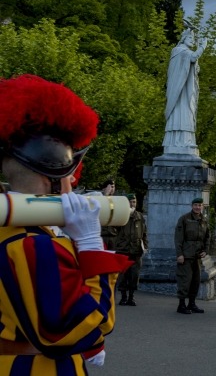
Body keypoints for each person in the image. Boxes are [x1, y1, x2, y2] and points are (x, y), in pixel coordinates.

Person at [0, 74, 132, 373]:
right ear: (55, 180)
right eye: (71, 174)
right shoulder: (35, 244)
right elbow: (85, 327)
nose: (75, 180)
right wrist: (90, 245)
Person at [163, 28, 205, 151]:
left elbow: (192, 63)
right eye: (190, 38)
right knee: (180, 113)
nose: (192, 41)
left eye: (193, 39)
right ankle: (176, 141)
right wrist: (203, 46)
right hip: (178, 91)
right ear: (184, 38)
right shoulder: (178, 51)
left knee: (187, 113)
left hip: (185, 89)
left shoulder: (183, 52)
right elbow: (193, 57)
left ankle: (186, 141)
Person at [174, 198, 209, 314]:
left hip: (197, 256)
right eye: (195, 205)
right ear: (192, 206)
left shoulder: (204, 220)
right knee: (185, 280)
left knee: (195, 281)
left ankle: (192, 303)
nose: (197, 207)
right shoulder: (185, 219)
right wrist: (179, 254)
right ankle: (182, 305)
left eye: (199, 205)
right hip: (186, 255)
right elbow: (178, 238)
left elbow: (207, 237)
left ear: (202, 206)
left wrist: (205, 250)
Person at [116, 193, 148, 306]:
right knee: (123, 274)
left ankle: (131, 296)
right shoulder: (120, 216)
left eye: (134, 202)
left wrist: (145, 246)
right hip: (123, 249)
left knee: (134, 274)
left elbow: (144, 233)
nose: (132, 204)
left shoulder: (140, 217)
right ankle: (123, 296)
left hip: (136, 250)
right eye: (130, 202)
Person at [98, 179, 119, 250]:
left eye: (113, 187)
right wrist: (106, 195)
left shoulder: (116, 201)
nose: (111, 189)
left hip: (113, 234)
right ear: (104, 188)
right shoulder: (99, 198)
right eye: (110, 187)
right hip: (101, 234)